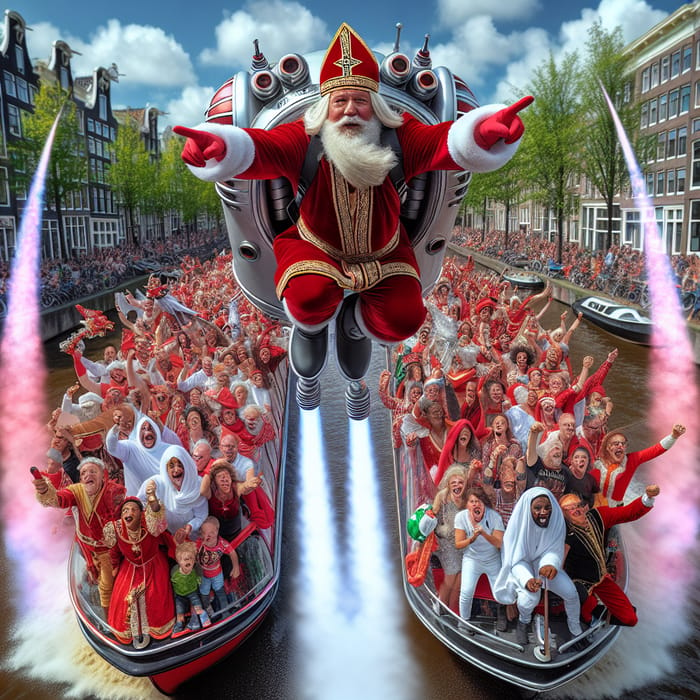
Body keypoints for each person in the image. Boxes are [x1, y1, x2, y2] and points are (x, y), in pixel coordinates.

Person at [174, 22, 531, 412]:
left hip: (385, 252)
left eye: (359, 102)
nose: (349, 111)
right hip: (316, 245)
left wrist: (480, 134)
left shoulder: (400, 136)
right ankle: (310, 330)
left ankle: (353, 325)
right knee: (309, 297)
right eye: (340, 101)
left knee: (405, 318)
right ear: (326, 106)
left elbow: (442, 143)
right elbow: (261, 149)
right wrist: (220, 147)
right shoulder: (304, 138)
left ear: (375, 106)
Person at [32, 457, 126, 615]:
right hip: (86, 548)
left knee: (106, 588)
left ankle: (111, 620)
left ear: (103, 475)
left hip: (110, 551)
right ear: (81, 479)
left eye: (92, 471)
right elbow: (59, 500)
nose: (88, 475)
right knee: (95, 579)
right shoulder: (76, 491)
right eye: (84, 473)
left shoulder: (114, 491)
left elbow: (121, 515)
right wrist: (44, 490)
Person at [559, 484, 661, 626]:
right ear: (563, 514)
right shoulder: (562, 533)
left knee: (631, 619)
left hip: (601, 579)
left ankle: (597, 614)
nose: (576, 510)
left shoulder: (598, 516)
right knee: (584, 605)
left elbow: (628, 513)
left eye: (578, 505)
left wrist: (648, 497)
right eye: (570, 509)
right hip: (576, 584)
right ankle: (584, 613)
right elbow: (557, 564)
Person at [493, 487, 582, 645]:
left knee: (571, 593)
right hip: (522, 568)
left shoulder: (556, 521)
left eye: (547, 507)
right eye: (538, 508)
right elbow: (514, 561)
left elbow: (554, 549)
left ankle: (575, 630)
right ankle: (524, 622)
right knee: (529, 599)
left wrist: (550, 564)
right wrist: (527, 580)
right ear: (529, 508)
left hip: (546, 567)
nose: (544, 512)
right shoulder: (517, 526)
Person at [103, 496, 176, 644]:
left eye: (133, 510)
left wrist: (152, 499)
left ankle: (153, 630)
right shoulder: (116, 528)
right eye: (125, 510)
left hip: (154, 564)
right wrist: (115, 566)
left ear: (140, 513)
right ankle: (131, 633)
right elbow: (114, 551)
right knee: (123, 600)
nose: (129, 512)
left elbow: (161, 525)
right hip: (130, 567)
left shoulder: (149, 523)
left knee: (154, 596)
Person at [591, 424, 685, 506]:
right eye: (616, 444)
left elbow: (656, 450)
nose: (620, 446)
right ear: (607, 447)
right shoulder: (592, 461)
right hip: (590, 507)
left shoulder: (631, 460)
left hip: (614, 511)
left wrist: (673, 436)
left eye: (623, 444)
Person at [454, 487, 505, 629]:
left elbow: (499, 543)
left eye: (479, 501)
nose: (476, 504)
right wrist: (472, 538)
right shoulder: (461, 517)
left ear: (484, 504)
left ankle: (502, 616)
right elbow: (458, 544)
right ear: (467, 504)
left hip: (492, 558)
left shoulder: (495, 517)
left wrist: (483, 533)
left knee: (500, 593)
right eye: (472, 501)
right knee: (466, 592)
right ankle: (464, 621)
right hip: (472, 558)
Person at [139, 444, 208, 538]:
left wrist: (189, 527)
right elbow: (138, 502)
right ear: (166, 470)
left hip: (191, 537)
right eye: (171, 466)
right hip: (165, 536)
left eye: (180, 465)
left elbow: (201, 515)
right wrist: (151, 501)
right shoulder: (157, 483)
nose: (176, 470)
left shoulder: (196, 484)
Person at [428, 465, 469, 615]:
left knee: (460, 580)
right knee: (451, 576)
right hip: (446, 543)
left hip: (462, 542)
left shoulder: (468, 497)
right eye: (454, 483)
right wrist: (440, 531)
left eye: (461, 482)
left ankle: (453, 610)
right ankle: (440, 605)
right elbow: (432, 518)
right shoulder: (442, 496)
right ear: (448, 485)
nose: (457, 485)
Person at [195, 516, 241, 618]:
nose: (208, 536)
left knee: (220, 591)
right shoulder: (199, 543)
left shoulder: (222, 544)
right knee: (204, 592)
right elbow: (189, 550)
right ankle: (207, 608)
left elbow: (232, 552)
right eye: (204, 532)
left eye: (211, 532)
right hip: (203, 575)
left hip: (217, 573)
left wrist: (236, 567)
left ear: (217, 531)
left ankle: (225, 611)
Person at [170, 540, 212, 637]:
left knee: (198, 607)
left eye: (191, 559)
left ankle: (204, 618)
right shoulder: (175, 571)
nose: (188, 561)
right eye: (185, 559)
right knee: (179, 612)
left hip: (192, 592)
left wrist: (199, 581)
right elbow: (173, 582)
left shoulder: (196, 570)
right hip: (179, 595)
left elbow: (200, 576)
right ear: (178, 561)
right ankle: (179, 626)